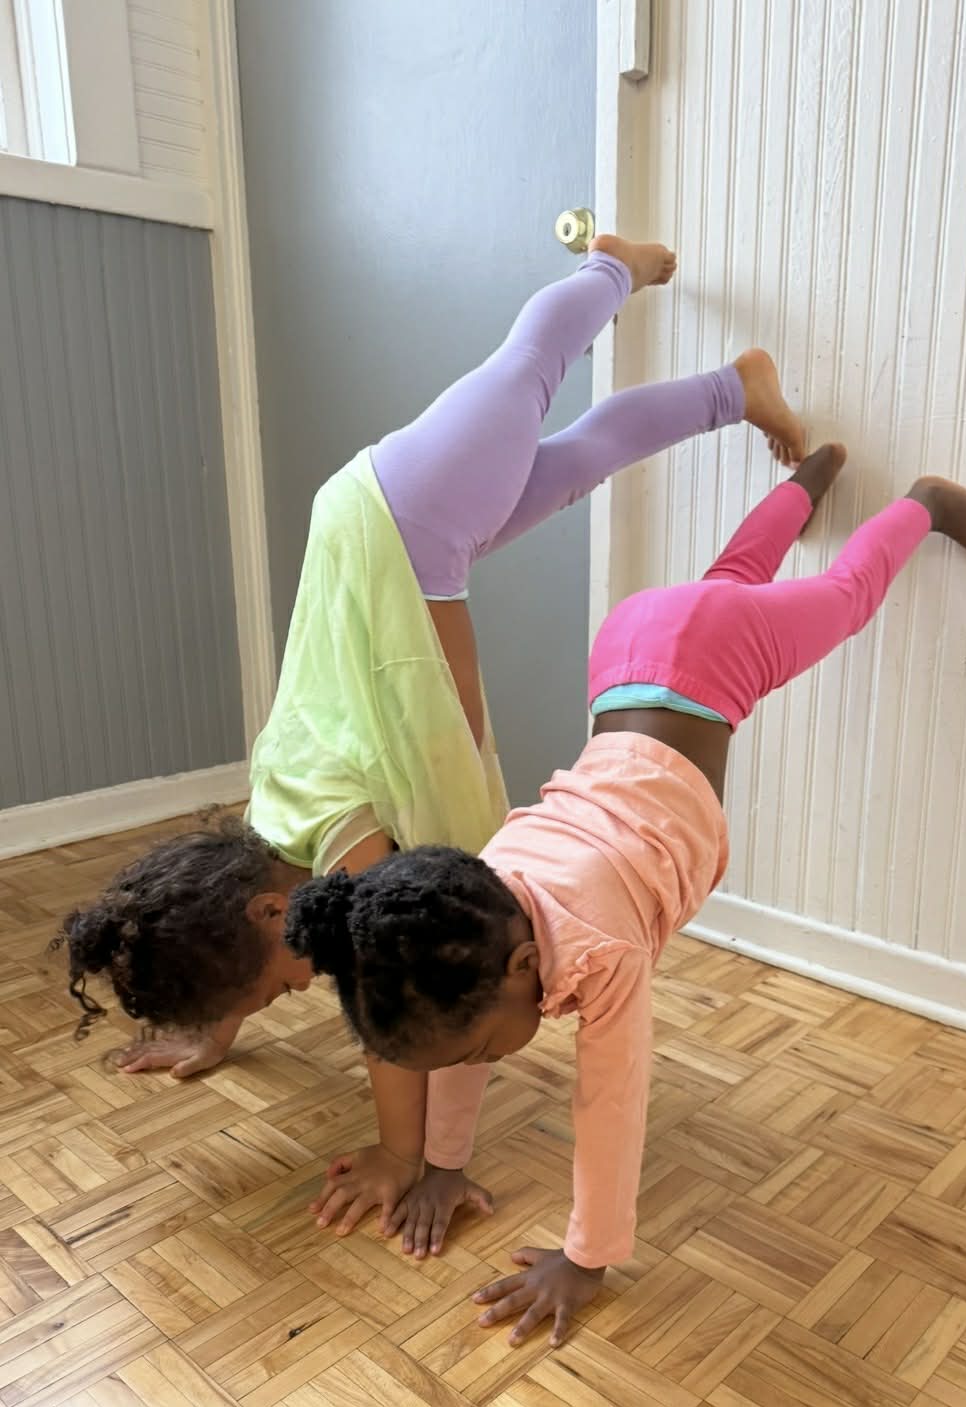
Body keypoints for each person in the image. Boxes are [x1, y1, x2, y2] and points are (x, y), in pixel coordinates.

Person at [58, 234, 807, 1241]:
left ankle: (614, 268)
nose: (302, 987)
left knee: (527, 367)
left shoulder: (349, 852)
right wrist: (214, 1034)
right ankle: (736, 387)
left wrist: (402, 1155)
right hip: (377, 532)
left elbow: (389, 1009)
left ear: (272, 910)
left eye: (280, 985)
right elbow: (250, 938)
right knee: (579, 459)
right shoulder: (275, 814)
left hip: (406, 532)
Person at [284, 442, 966, 1347]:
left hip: (705, 662)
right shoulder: (481, 899)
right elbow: (464, 1039)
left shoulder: (600, 950)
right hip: (633, 643)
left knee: (844, 598)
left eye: (478, 1045)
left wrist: (584, 1257)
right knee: (730, 578)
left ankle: (925, 504)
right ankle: (805, 483)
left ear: (526, 965)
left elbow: (612, 1100)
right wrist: (440, 1165)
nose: (485, 1058)